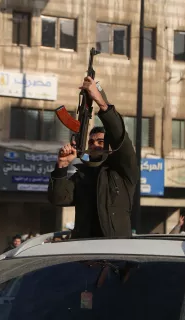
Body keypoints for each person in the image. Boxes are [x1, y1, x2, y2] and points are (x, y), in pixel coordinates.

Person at [48, 76, 139, 238]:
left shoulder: (123, 172)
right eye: (91, 141)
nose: (95, 145)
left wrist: (101, 102)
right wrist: (61, 166)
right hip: (85, 250)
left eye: (100, 141)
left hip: (115, 249)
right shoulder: (82, 175)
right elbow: (59, 199)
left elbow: (120, 138)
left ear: (109, 146)